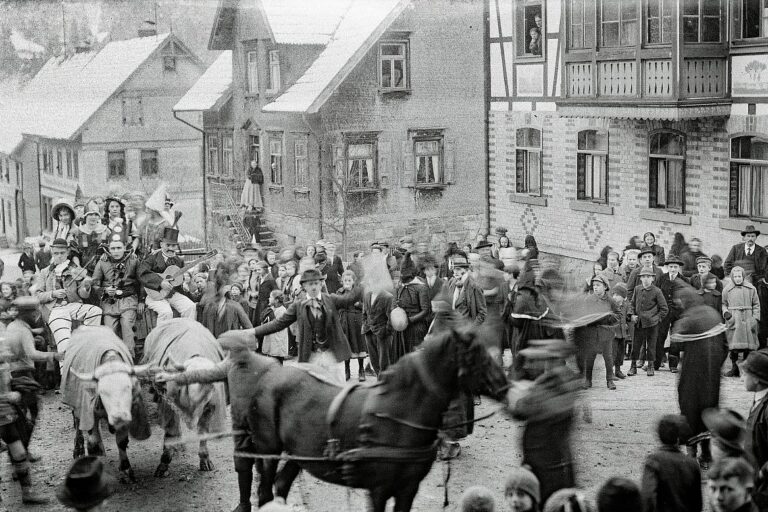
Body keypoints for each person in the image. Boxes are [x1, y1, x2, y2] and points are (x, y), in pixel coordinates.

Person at [506, 339, 580, 504]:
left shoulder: (548, 385)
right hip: (561, 461)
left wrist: (514, 394)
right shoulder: (569, 378)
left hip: (541, 463)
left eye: (535, 360)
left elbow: (519, 411)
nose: (528, 365)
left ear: (550, 360)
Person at [250, 268, 354, 381]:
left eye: (316, 283)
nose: (313, 287)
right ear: (304, 286)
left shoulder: (331, 299)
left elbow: (350, 299)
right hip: (311, 356)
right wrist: (252, 331)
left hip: (332, 355)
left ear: (321, 284)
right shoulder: (298, 306)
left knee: (337, 389)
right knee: (313, 391)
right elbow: (278, 323)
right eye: (310, 284)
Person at [672, 286, 728, 467]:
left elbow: (674, 347)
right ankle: (706, 454)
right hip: (712, 377)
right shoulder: (714, 314)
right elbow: (726, 345)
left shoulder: (688, 318)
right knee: (709, 410)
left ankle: (691, 452)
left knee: (690, 410)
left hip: (691, 376)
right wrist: (715, 366)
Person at [35, 239, 102, 356]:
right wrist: (53, 294)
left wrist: (86, 287)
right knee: (64, 345)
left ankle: (88, 343)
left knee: (96, 312)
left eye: (62, 253)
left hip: (73, 305)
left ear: (67, 253)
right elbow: (38, 295)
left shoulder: (74, 270)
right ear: (52, 253)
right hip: (54, 309)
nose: (59, 256)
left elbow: (82, 294)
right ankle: (65, 369)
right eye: (56, 253)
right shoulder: (45, 272)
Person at [90, 235, 143, 357]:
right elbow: (95, 283)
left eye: (119, 248)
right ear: (108, 249)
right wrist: (105, 290)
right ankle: (111, 360)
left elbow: (141, 282)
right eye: (112, 248)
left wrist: (141, 300)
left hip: (128, 301)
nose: (116, 251)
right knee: (109, 332)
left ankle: (129, 360)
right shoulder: (102, 262)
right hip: (110, 303)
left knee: (127, 328)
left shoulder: (134, 260)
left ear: (124, 247)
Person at [640, 414, 702, 512]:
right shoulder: (692, 464)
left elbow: (648, 496)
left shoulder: (654, 460)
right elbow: (697, 504)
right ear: (679, 439)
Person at [137, 227, 197, 323]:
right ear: (161, 244)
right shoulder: (152, 258)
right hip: (154, 295)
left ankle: (185, 333)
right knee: (166, 312)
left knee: (190, 307)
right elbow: (142, 274)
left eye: (173, 246)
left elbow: (178, 281)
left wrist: (184, 282)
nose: (170, 248)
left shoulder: (178, 260)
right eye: (168, 245)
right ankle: (162, 337)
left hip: (171, 293)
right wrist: (160, 282)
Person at [577, 274, 619, 390]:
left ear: (605, 287)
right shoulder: (588, 300)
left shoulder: (610, 300)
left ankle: (610, 380)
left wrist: (606, 319)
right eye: (594, 285)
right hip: (591, 333)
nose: (595, 287)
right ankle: (588, 380)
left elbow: (618, 315)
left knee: (608, 357)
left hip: (606, 333)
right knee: (590, 357)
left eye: (598, 285)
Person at [628, 266, 668, 377]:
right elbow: (631, 304)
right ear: (640, 278)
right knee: (636, 345)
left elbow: (664, 309)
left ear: (653, 279)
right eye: (643, 277)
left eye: (648, 277)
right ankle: (633, 366)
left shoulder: (657, 291)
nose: (646, 279)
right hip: (639, 323)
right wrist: (632, 315)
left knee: (651, 346)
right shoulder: (637, 289)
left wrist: (656, 319)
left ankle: (650, 366)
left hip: (652, 324)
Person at [722, 266, 761, 377]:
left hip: (748, 319)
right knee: (734, 348)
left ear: (743, 276)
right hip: (734, 319)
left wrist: (755, 318)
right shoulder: (727, 289)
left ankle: (746, 369)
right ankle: (734, 368)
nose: (738, 278)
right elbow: (723, 303)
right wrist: (726, 313)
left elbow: (756, 304)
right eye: (735, 276)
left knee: (747, 348)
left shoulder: (751, 288)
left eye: (739, 276)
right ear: (732, 277)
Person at [361, 259, 394, 377]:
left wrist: (385, 331)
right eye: (370, 283)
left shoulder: (387, 297)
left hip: (382, 334)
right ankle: (378, 380)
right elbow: (364, 313)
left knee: (383, 362)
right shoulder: (367, 295)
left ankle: (384, 383)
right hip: (369, 332)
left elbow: (391, 318)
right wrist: (365, 325)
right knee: (374, 360)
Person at [657, 255, 689, 373]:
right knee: (660, 336)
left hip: (678, 314)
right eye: (671, 267)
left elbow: (687, 297)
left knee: (675, 338)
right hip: (664, 313)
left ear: (679, 268)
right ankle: (656, 362)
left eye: (675, 267)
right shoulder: (661, 278)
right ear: (667, 267)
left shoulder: (684, 280)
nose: (673, 269)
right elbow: (657, 294)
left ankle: (673, 365)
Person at [391, 266, 430, 362]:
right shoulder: (398, 287)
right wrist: (396, 315)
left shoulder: (421, 288)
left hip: (416, 327)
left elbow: (425, 310)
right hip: (400, 327)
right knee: (400, 356)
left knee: (415, 356)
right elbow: (393, 305)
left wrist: (410, 320)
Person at [336, 270, 366, 381]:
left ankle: (361, 369)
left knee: (359, 344)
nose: (347, 282)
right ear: (342, 281)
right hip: (345, 321)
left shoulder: (359, 291)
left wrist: (358, 304)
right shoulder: (340, 292)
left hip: (357, 320)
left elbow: (365, 306)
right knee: (346, 344)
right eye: (345, 280)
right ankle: (347, 369)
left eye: (349, 280)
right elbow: (336, 306)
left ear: (353, 281)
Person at [742, 349, 768, 475]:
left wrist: (762, 475)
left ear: (757, 379)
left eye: (745, 374)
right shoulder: (759, 397)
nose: (742, 378)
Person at [70, 205, 111, 273]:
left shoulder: (106, 231)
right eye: (90, 214)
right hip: (83, 268)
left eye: (96, 214)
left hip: (102, 267)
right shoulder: (77, 231)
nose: (93, 217)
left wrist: (107, 254)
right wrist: (78, 266)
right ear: (85, 216)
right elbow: (74, 252)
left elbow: (112, 247)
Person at [260, 290, 288, 364]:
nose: (269, 299)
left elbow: (277, 324)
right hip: (271, 338)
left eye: (270, 297)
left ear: (276, 300)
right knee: (271, 359)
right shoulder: (271, 309)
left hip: (278, 339)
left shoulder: (282, 310)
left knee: (277, 360)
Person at [611, 283, 630, 380]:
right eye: (613, 294)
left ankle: (618, 370)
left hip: (622, 333)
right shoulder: (611, 306)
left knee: (620, 353)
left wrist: (629, 320)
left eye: (617, 295)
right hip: (613, 334)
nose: (614, 297)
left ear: (623, 297)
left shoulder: (626, 306)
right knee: (612, 353)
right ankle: (610, 372)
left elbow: (627, 316)